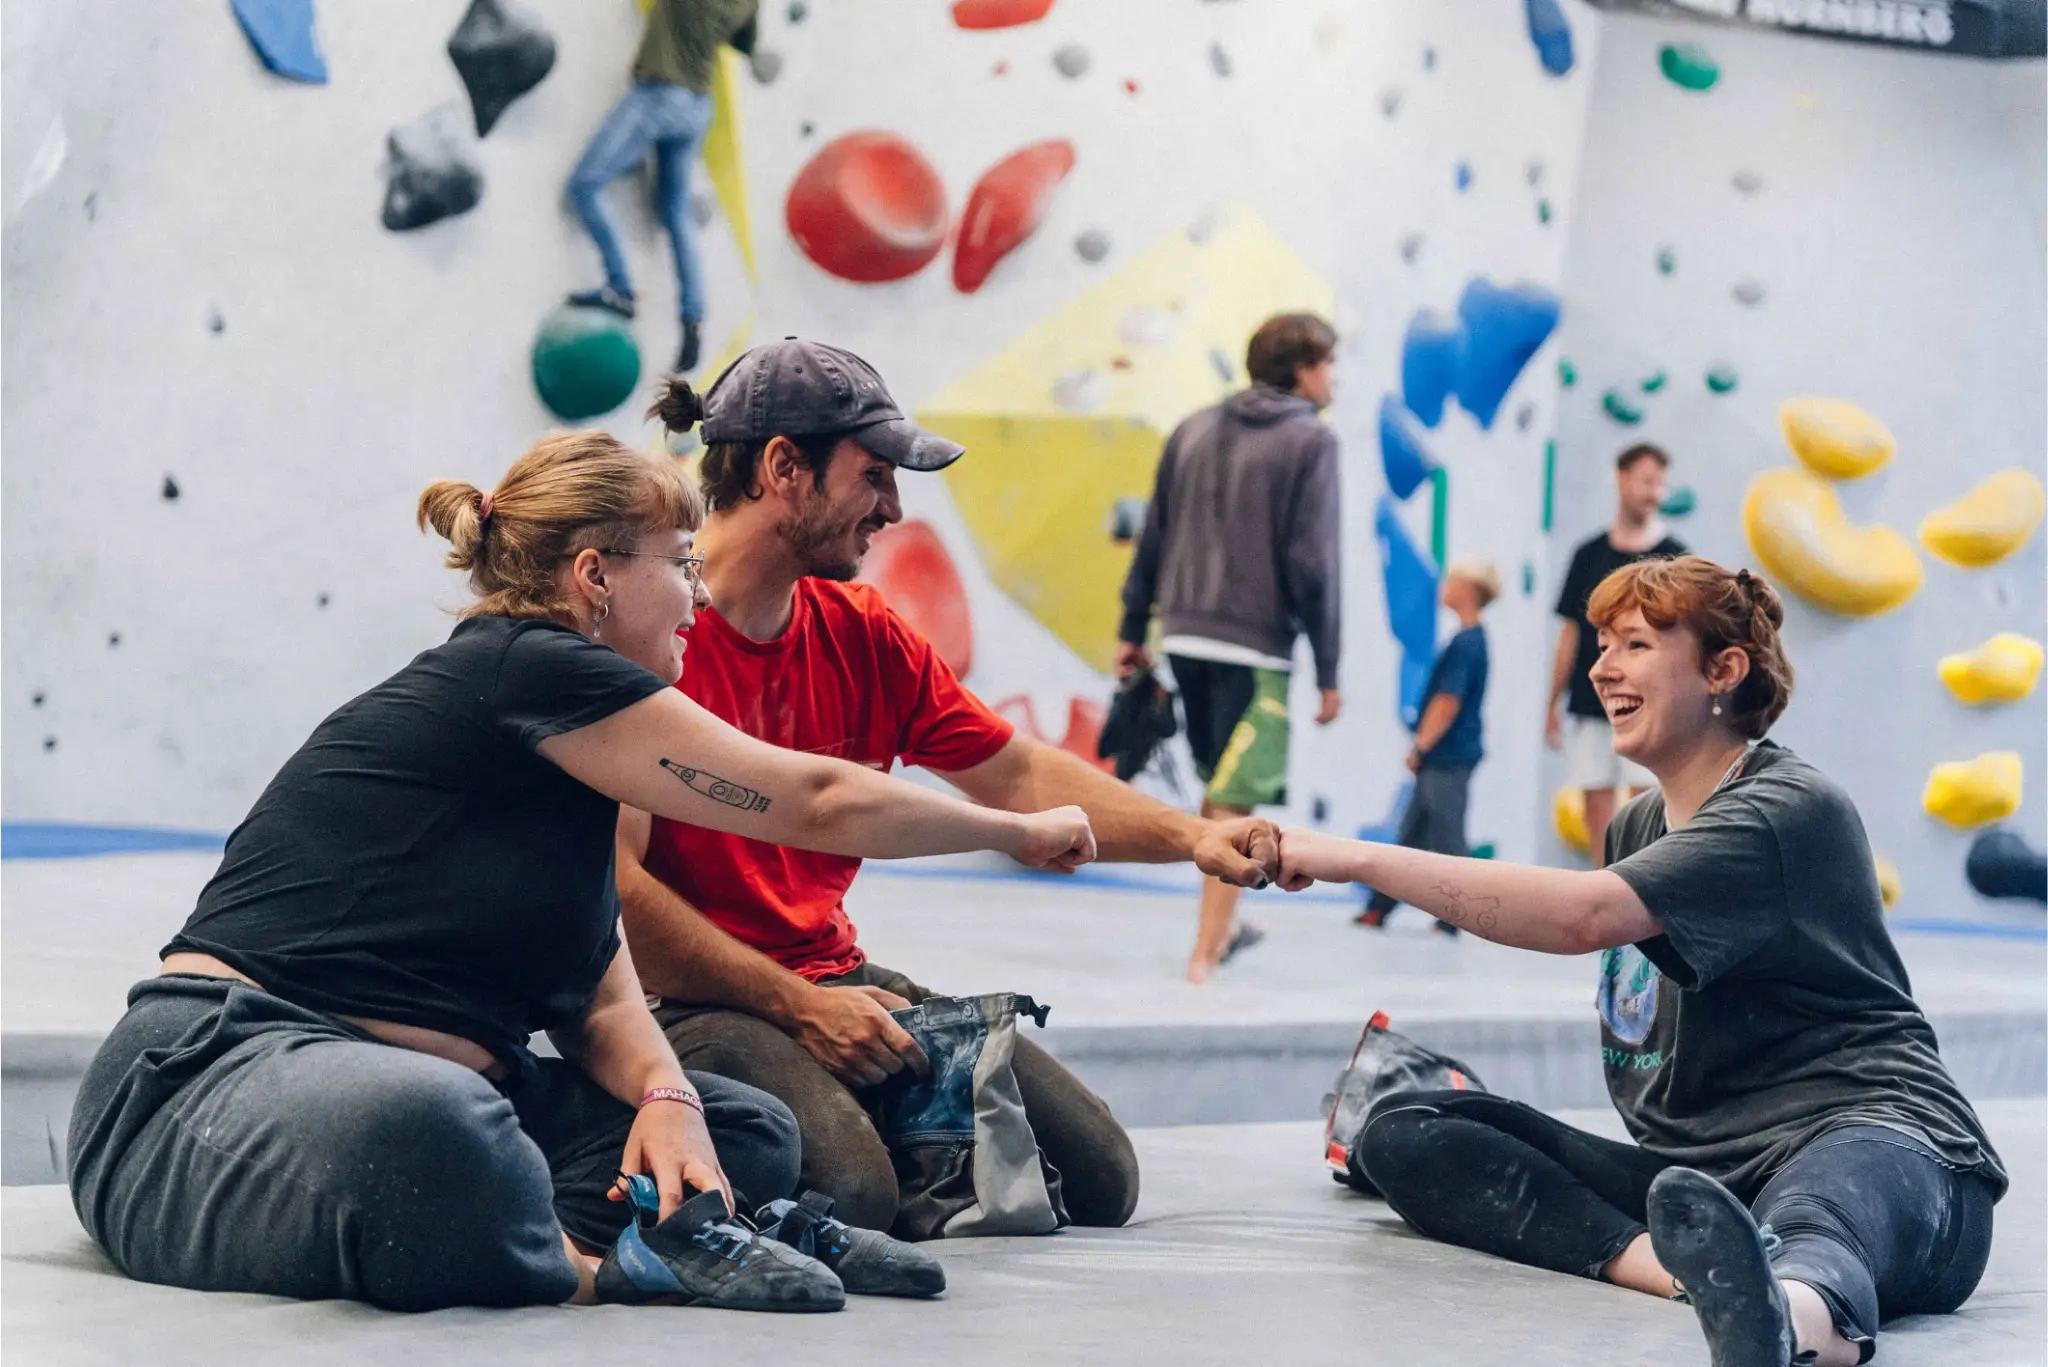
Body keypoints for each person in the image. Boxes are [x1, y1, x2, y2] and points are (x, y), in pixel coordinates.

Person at [66, 428, 1097, 1313]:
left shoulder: (577, 760)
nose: (698, 592)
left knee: (741, 1124)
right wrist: (1011, 831)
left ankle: (667, 1226)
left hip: (442, 1093)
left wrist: (667, 1100)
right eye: (679, 562)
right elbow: (811, 798)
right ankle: (608, 1269)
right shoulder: (524, 664)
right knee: (437, 1128)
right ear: (594, 575)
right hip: (206, 1085)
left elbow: (603, 1000)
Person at [615, 339, 1285, 1235]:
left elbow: (1017, 773)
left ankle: (881, 1124)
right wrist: (803, 1009)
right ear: (784, 468)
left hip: (833, 972)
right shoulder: (649, 637)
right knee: (855, 1196)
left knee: (1100, 1174)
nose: (893, 508)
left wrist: (1190, 837)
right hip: (691, 998)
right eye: (875, 477)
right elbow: (616, 899)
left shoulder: (860, 630)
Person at [1279, 556, 2004, 1367]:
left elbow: (1581, 916)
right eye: (1601, 643)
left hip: (1891, 1150)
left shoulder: (1784, 807)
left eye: (1633, 643)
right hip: (1710, 1187)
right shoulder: (1634, 827)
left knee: (1821, 1210)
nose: (1601, 665)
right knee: (1404, 1130)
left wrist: (1354, 857)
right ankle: (1682, 1270)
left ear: (1724, 670)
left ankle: (1793, 1319)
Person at [1115, 311, 1344, 983]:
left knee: (1220, 792)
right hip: (1257, 646)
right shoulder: (1311, 441)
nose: (1334, 379)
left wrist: (1134, 629)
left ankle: (1226, 927)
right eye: (1329, 364)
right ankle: (1204, 955)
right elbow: (1314, 563)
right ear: (1302, 368)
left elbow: (1152, 537)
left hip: (1182, 633)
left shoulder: (1190, 428)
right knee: (1233, 807)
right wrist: (1329, 667)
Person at [564, 0, 759, 374]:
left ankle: (619, 286)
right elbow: (745, 45)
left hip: (658, 95)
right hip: (698, 105)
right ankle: (693, 317)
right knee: (675, 213)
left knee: (584, 184)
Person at [1548, 443, 1686, 865]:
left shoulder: (1675, 559)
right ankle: (1602, 885)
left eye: (1660, 484)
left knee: (1647, 798)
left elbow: (1683, 641)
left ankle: (1640, 887)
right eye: (1646, 481)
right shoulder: (1589, 555)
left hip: (1648, 703)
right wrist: (1552, 702)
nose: (1654, 492)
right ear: (1621, 479)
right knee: (1595, 797)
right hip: (1593, 702)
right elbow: (1571, 633)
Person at [1356, 559, 1498, 934]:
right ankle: (1378, 909)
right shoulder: (1467, 639)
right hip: (1442, 755)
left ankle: (1458, 916)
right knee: (1410, 835)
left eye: (1451, 581)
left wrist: (1420, 747)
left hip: (1448, 757)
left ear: (1468, 590)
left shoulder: (1467, 643)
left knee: (1448, 839)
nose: (1444, 587)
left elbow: (1447, 702)